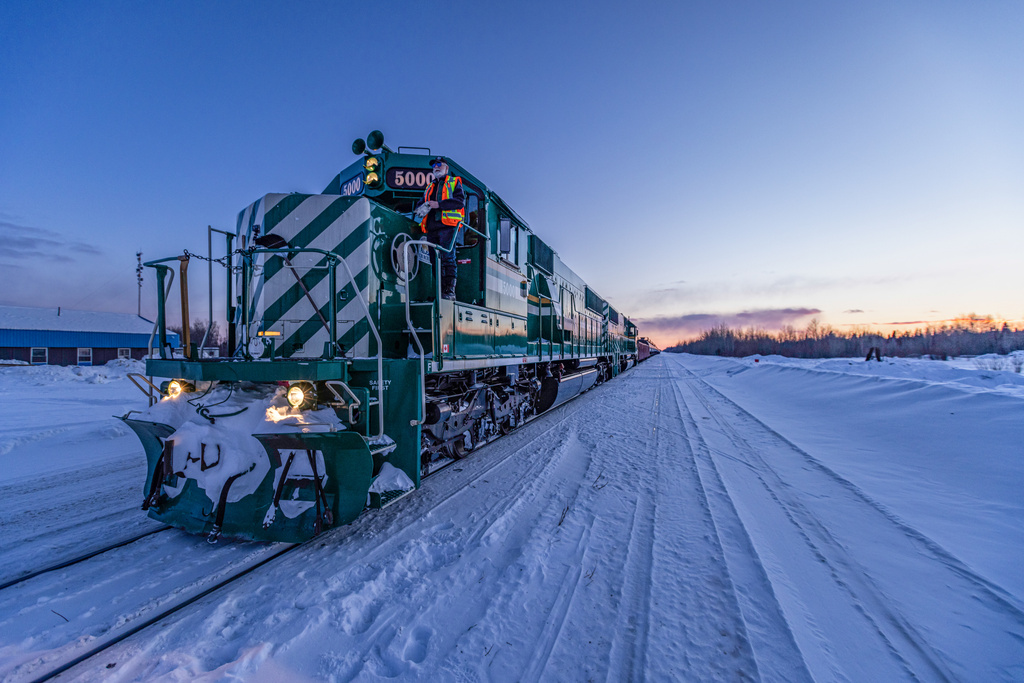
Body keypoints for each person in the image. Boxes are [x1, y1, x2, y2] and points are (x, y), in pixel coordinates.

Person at [414, 157, 465, 300]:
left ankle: (449, 291)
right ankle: (439, 291)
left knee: (448, 258)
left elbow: (460, 202)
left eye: (439, 164)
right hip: (432, 229)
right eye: (434, 165)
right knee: (434, 261)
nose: (436, 167)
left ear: (446, 168)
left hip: (448, 227)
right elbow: (420, 202)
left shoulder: (454, 182)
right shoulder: (429, 187)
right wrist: (420, 208)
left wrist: (439, 205)